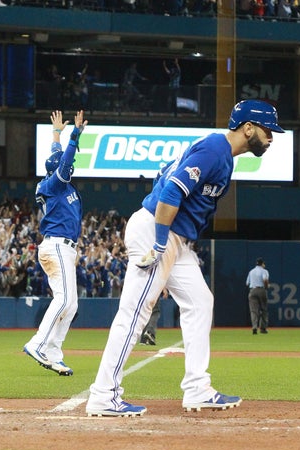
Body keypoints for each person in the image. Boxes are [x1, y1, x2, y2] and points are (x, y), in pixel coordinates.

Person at [86, 99, 285, 417]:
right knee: (135, 312)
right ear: (248, 128)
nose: (272, 137)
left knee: (200, 302)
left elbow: (163, 178)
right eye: (267, 130)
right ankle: (103, 394)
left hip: (173, 238)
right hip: (158, 232)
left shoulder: (223, 157)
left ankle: (197, 389)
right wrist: (161, 243)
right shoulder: (213, 149)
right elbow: (170, 193)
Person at [23, 110, 87, 377]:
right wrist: (75, 135)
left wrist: (56, 134)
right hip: (57, 246)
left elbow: (56, 158)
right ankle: (37, 343)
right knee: (64, 299)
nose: (68, 168)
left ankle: (53, 352)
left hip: (64, 248)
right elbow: (63, 162)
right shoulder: (55, 185)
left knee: (71, 304)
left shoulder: (57, 184)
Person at [246, 257, 270, 334]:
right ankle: (262, 328)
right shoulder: (264, 271)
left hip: (252, 290)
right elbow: (265, 279)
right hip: (261, 290)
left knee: (253, 311)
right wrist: (266, 287)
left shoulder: (251, 271)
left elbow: (247, 283)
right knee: (264, 310)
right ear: (262, 264)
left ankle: (254, 327)